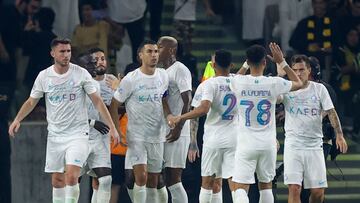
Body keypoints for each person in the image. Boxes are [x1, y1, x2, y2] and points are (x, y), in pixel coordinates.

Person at [8, 38, 119, 203]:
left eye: (68, 51)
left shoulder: (81, 73)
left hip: (78, 134)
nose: (66, 54)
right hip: (55, 135)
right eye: (62, 51)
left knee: (72, 176)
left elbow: (97, 100)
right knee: (58, 180)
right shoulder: (44, 76)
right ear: (53, 53)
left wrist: (113, 127)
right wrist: (18, 119)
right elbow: (32, 101)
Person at [230, 43, 303, 203]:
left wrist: (245, 65)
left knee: (240, 187)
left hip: (246, 144)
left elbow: (235, 78)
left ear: (248, 62)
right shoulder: (274, 82)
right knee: (266, 185)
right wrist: (282, 62)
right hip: (268, 144)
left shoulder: (239, 82)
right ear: (265, 62)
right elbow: (298, 83)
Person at [169, 49, 238, 203]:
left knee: (207, 183)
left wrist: (191, 139)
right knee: (231, 183)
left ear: (213, 64)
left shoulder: (207, 84)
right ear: (231, 64)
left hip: (214, 140)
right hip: (235, 140)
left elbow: (200, 110)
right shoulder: (239, 81)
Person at [277, 55, 348, 203]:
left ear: (309, 70)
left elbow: (331, 111)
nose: (298, 73)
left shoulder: (320, 89)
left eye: (302, 69)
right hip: (293, 146)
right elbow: (271, 100)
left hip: (315, 146)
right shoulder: (286, 88)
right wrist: (279, 75)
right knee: (295, 189)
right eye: (294, 70)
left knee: (317, 193)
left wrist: (339, 134)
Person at [109, 40, 170, 203]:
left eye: (156, 51)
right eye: (149, 51)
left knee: (153, 181)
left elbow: (163, 98)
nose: (154, 55)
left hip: (157, 136)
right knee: (140, 177)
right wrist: (117, 130)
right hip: (136, 137)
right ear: (140, 55)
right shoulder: (131, 79)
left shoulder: (163, 75)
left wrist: (169, 115)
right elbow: (114, 105)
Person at [157, 36, 192, 203]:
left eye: (160, 47)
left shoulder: (180, 69)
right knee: (159, 177)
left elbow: (188, 100)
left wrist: (178, 128)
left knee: (174, 178)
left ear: (171, 50)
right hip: (163, 129)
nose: (157, 50)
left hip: (177, 131)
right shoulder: (162, 72)